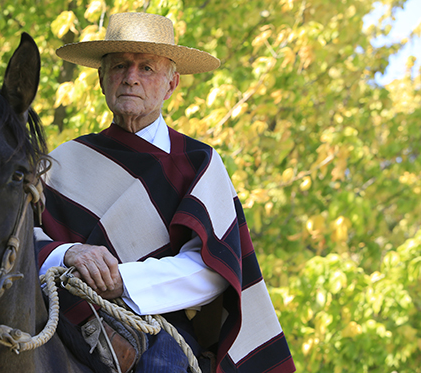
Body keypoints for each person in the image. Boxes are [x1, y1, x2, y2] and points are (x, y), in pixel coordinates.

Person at [35, 12, 296, 373]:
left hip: (158, 331)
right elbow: (13, 238)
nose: (131, 78)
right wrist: (67, 253)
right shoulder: (61, 162)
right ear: (101, 79)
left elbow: (213, 269)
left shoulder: (198, 162)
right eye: (120, 66)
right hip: (52, 316)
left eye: (146, 69)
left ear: (171, 84)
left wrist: (123, 282)